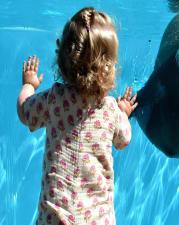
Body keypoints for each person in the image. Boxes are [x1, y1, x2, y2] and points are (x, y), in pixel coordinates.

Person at [17, 7, 137, 225]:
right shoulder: (110, 110)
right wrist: (124, 111)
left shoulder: (54, 99)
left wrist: (28, 84)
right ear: (110, 68)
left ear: (62, 59)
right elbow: (123, 139)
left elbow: (26, 112)